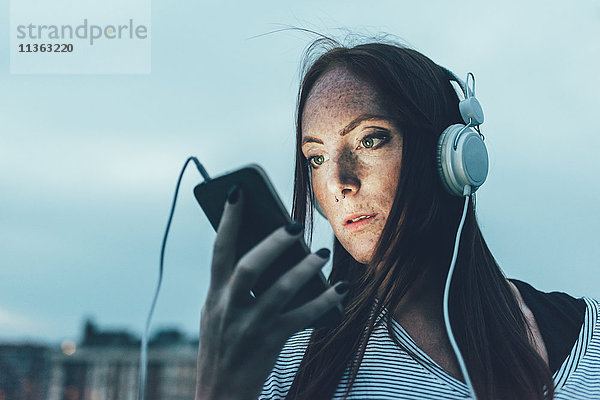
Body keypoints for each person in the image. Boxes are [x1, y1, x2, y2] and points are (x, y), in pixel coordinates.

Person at [194, 39, 599, 400]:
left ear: (452, 157)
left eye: (370, 139)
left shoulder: (591, 334)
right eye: (316, 158)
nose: (339, 182)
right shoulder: (284, 368)